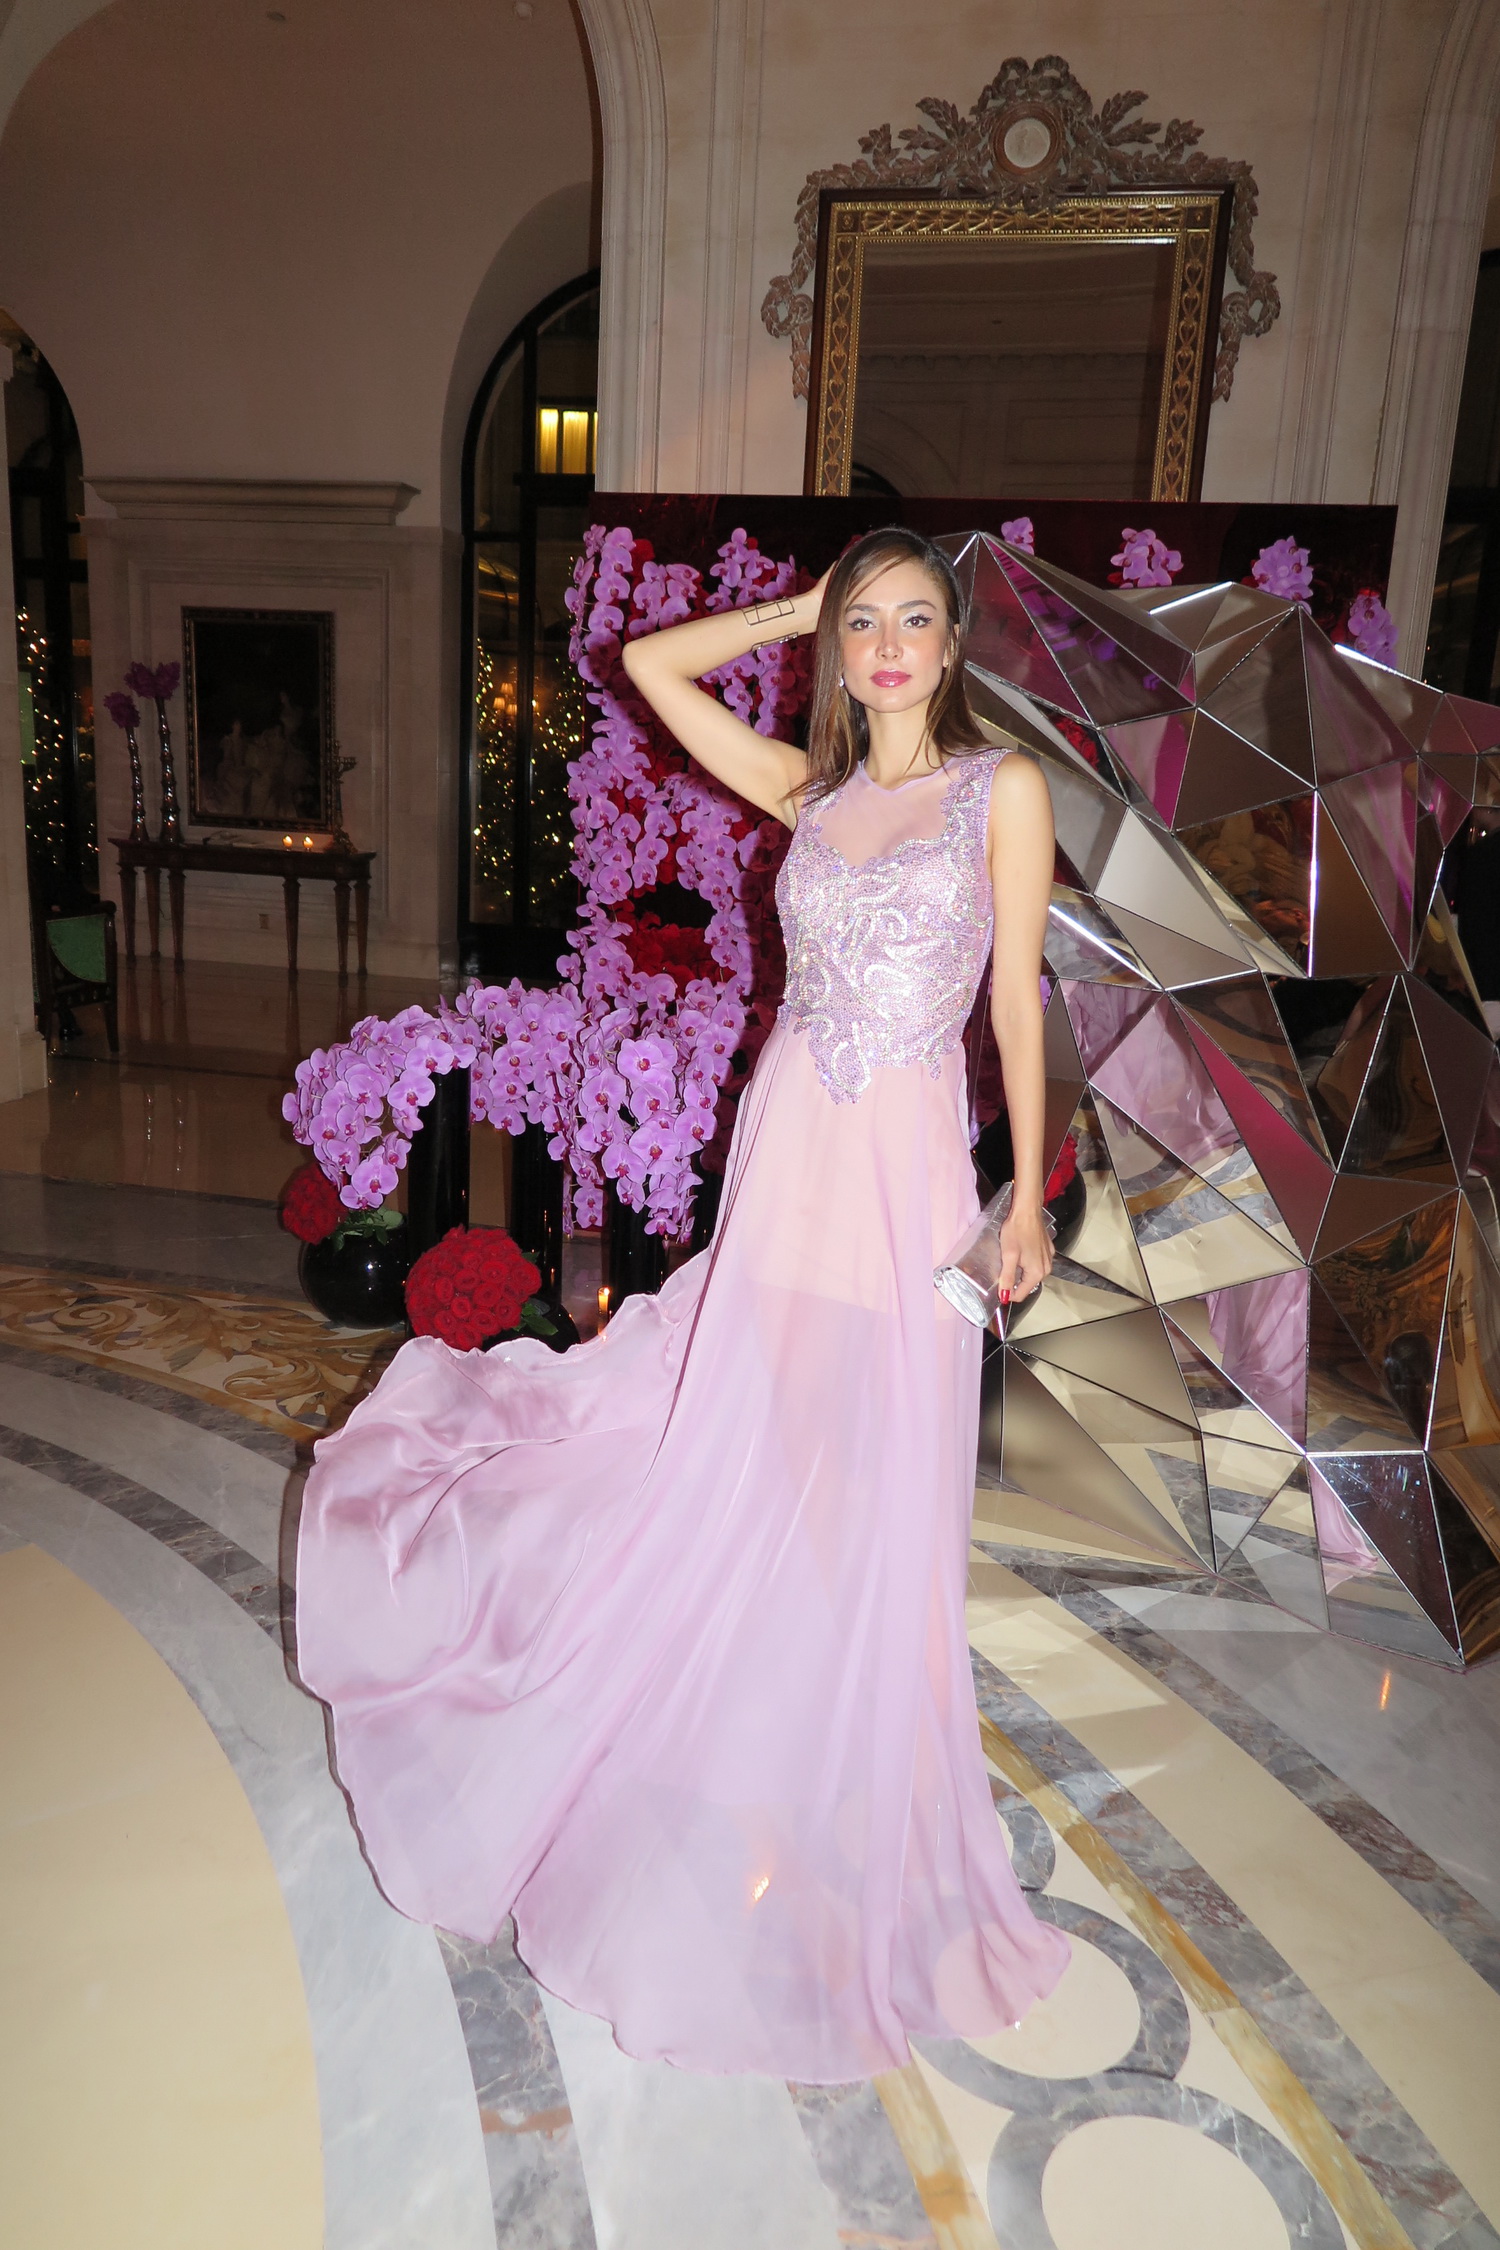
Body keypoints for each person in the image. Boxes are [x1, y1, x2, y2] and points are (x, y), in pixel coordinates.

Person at [295, 525, 1069, 2081]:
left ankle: (852, 1768)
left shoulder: (1005, 790)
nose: (890, 645)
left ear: (954, 642)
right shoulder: (807, 791)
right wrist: (790, 608)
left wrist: (1029, 1194)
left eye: (916, 619)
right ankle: (747, 1748)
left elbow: (1012, 1000)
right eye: (865, 622)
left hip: (910, 1170)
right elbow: (652, 666)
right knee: (765, 1447)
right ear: (841, 646)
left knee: (881, 1479)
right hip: (790, 1159)